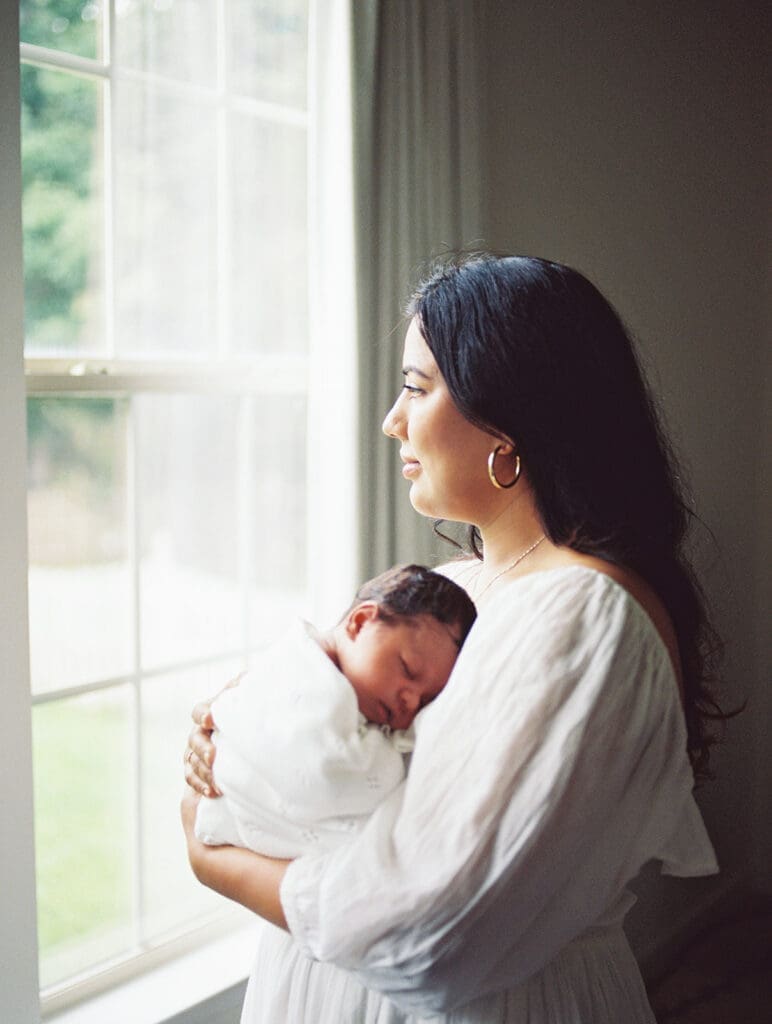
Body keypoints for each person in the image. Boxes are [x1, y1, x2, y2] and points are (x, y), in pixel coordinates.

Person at [182, 254, 725, 1023]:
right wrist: (231, 732)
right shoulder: (454, 595)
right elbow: (334, 743)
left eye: (415, 386)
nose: (390, 420)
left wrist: (215, 860)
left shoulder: (581, 615)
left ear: (509, 412)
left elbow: (434, 933)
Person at [194, 564, 477, 857]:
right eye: (407, 669)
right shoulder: (312, 677)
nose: (411, 702)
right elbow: (331, 774)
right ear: (361, 622)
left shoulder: (352, 692)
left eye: (426, 700)